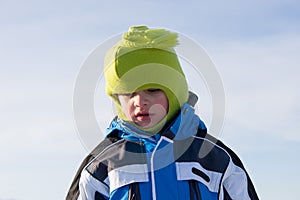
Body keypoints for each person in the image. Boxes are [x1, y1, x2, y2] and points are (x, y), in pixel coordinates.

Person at [66, 25, 259, 200]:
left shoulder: (214, 158)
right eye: (129, 94)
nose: (140, 102)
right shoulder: (103, 164)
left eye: (152, 90)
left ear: (174, 93)